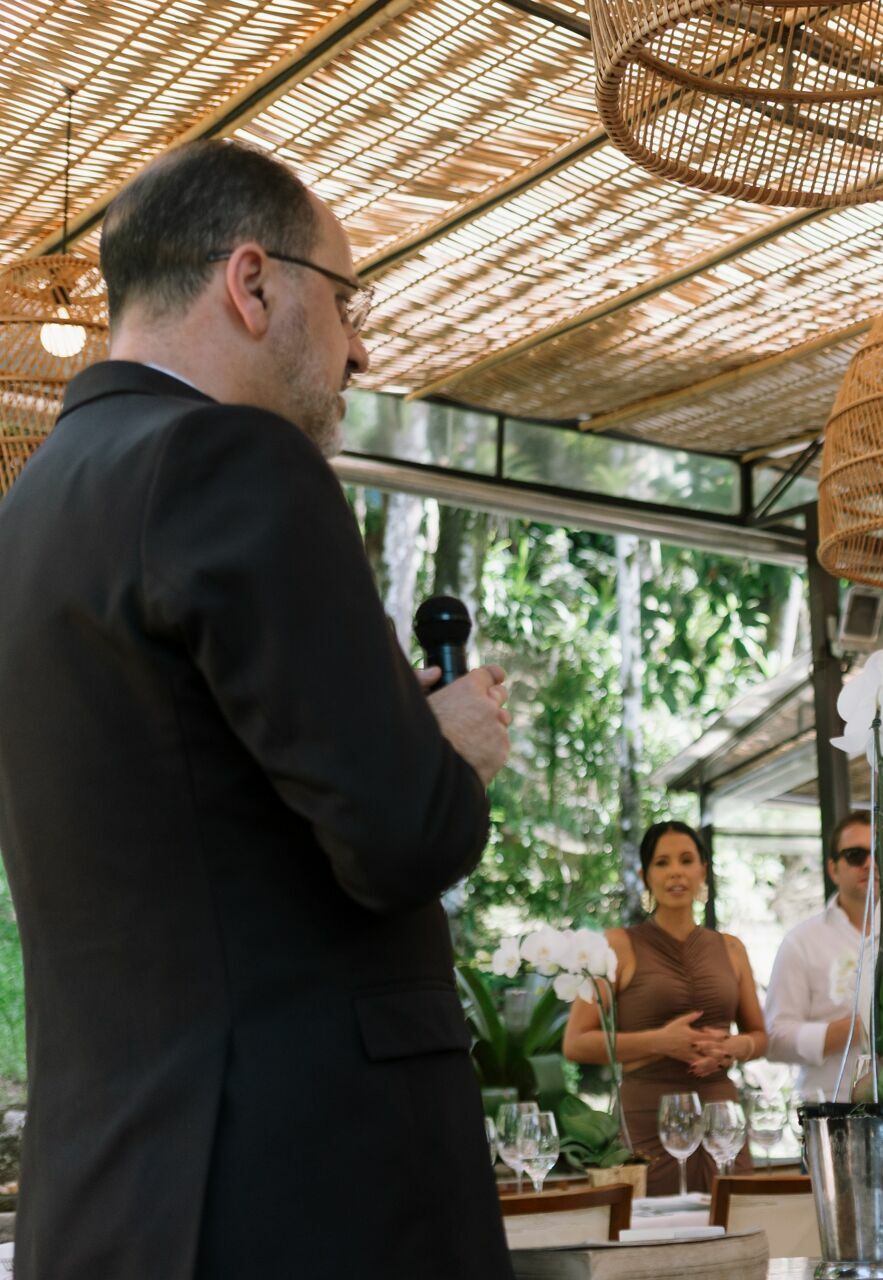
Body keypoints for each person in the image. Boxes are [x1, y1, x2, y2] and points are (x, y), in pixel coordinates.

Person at [0, 140, 515, 1279]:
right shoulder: (236, 459)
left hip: (107, 1204)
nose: (359, 345)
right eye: (345, 299)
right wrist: (452, 752)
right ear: (253, 281)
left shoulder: (25, 512)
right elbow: (401, 834)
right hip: (302, 1195)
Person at [563, 821, 766, 1195]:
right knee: (656, 1237)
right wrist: (660, 1041)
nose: (675, 871)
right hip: (647, 1119)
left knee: (734, 1226)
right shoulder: (615, 946)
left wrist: (737, 1047)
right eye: (662, 862)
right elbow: (576, 1043)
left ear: (702, 871)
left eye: (686, 860)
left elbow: (759, 1036)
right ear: (645, 875)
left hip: (722, 1117)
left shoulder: (732, 948)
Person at [765, 812, 876, 1102]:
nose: (870, 863)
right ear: (833, 868)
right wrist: (859, 1027)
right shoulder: (801, 941)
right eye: (855, 855)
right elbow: (775, 1039)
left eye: (882, 853)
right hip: (829, 1108)